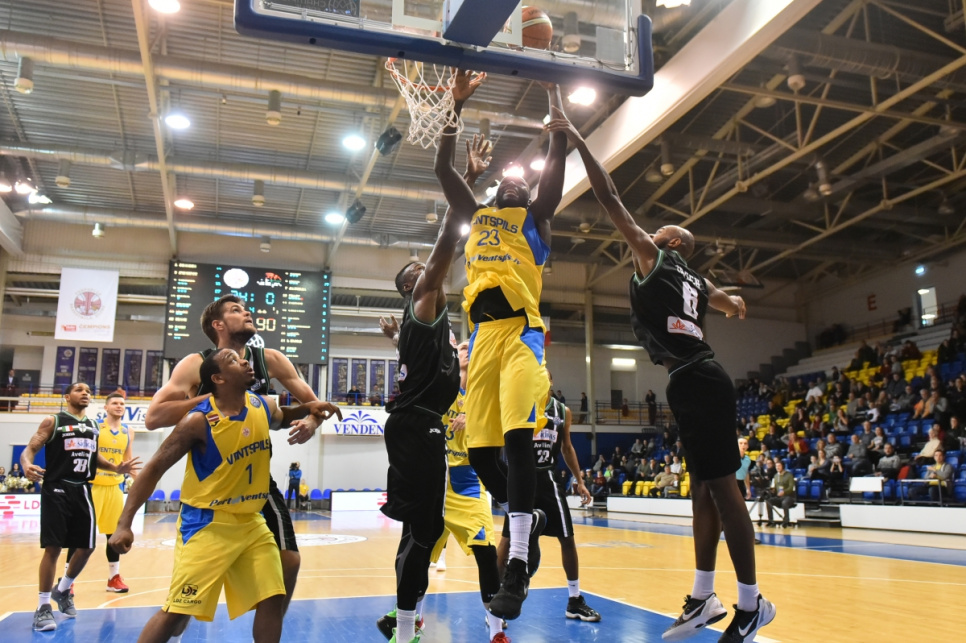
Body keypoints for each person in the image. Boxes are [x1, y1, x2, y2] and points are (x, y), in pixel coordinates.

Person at [549, 111, 774, 643]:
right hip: (693, 378)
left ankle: (751, 604)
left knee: (724, 490)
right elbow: (722, 298)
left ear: (670, 244)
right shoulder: (694, 278)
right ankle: (703, 595)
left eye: (661, 232)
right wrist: (734, 302)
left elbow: (610, 198)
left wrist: (580, 141)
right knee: (703, 491)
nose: (649, 233)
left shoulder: (656, 259)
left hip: (698, 377)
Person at [435, 71, 569, 621]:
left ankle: (516, 566)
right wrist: (454, 107)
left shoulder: (536, 220)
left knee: (516, 440)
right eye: (505, 182)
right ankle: (527, 515)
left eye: (522, 183)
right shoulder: (478, 217)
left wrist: (554, 97)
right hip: (482, 340)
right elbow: (443, 170)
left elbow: (558, 154)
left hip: (521, 335)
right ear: (493, 193)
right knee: (482, 455)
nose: (513, 184)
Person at [109, 349, 333, 643]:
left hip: (251, 522)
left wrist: (312, 408)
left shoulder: (261, 404)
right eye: (233, 361)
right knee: (176, 613)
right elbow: (153, 469)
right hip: (207, 524)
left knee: (273, 596)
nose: (245, 361)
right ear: (218, 379)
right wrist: (124, 524)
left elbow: (283, 416)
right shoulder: (197, 421)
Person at [145, 295, 342, 618]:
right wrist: (212, 398)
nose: (247, 312)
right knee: (183, 609)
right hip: (213, 488)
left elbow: (313, 404)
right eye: (236, 310)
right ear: (218, 325)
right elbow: (153, 417)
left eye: (246, 308)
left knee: (289, 561)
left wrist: (311, 421)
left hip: (255, 481)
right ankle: (176, 622)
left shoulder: (270, 359)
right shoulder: (196, 364)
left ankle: (268, 628)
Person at [380, 119, 494, 643]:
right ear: (416, 286)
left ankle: (405, 624)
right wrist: (462, 165)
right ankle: (405, 628)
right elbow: (451, 231)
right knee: (421, 535)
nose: (428, 271)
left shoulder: (424, 323)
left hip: (418, 422)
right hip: (418, 425)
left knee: (421, 533)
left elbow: (427, 368)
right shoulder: (425, 301)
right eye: (420, 272)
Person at [374, 335, 507, 643]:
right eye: (461, 348)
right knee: (419, 555)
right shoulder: (440, 386)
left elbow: (501, 428)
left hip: (468, 483)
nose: (466, 351)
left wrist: (473, 416)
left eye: (470, 348)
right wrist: (398, 340)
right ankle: (412, 619)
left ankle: (496, 631)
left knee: (486, 555)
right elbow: (416, 369)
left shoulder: (486, 392)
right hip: (435, 481)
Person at [20, 382, 140, 632]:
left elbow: (94, 457)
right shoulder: (53, 421)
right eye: (79, 390)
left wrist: (116, 467)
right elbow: (30, 449)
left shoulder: (93, 426)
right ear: (67, 397)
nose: (85, 393)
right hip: (57, 487)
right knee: (53, 548)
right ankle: (43, 606)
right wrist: (26, 464)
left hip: (83, 488)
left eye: (88, 391)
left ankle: (63, 589)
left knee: (87, 547)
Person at [496, 372, 601, 623]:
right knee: (507, 541)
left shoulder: (563, 411)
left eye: (544, 377)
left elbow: (567, 447)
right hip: (522, 479)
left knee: (568, 538)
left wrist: (580, 481)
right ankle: (495, 602)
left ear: (550, 382)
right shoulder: (519, 402)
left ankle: (574, 600)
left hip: (549, 480)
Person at [64, 392, 135, 594]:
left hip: (115, 487)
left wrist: (139, 481)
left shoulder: (128, 431)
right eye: (115, 403)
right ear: (106, 407)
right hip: (92, 486)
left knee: (114, 535)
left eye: (122, 403)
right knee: (80, 533)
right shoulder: (95, 427)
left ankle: (113, 578)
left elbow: (127, 461)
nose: (119, 406)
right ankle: (67, 581)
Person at [765, 461, 796, 528]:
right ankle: (771, 521)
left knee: (785, 503)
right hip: (779, 497)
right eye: (776, 466)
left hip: (789, 496)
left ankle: (786, 521)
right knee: (769, 501)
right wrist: (772, 491)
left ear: (783, 466)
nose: (777, 467)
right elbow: (774, 488)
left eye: (779, 466)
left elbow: (791, 488)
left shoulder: (789, 475)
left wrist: (784, 492)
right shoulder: (776, 476)